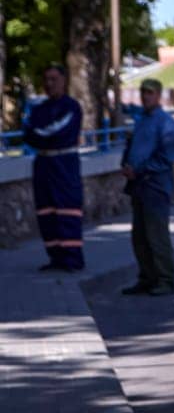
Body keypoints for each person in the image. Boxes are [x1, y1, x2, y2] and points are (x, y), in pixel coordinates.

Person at [121, 78, 174, 297]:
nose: (145, 96)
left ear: (158, 95)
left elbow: (166, 157)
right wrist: (127, 166)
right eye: (143, 92)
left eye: (149, 93)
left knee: (156, 236)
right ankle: (147, 278)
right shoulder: (142, 120)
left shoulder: (165, 122)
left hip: (155, 186)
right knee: (140, 237)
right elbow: (134, 148)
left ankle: (165, 279)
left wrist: (140, 170)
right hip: (139, 186)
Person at [22, 64, 84, 271]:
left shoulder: (71, 107)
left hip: (64, 164)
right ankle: (56, 258)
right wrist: (38, 136)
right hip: (43, 165)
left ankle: (72, 259)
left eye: (54, 79)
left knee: (66, 210)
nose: (49, 84)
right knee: (46, 212)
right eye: (46, 80)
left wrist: (38, 135)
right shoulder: (39, 109)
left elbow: (56, 134)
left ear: (64, 80)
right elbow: (28, 134)